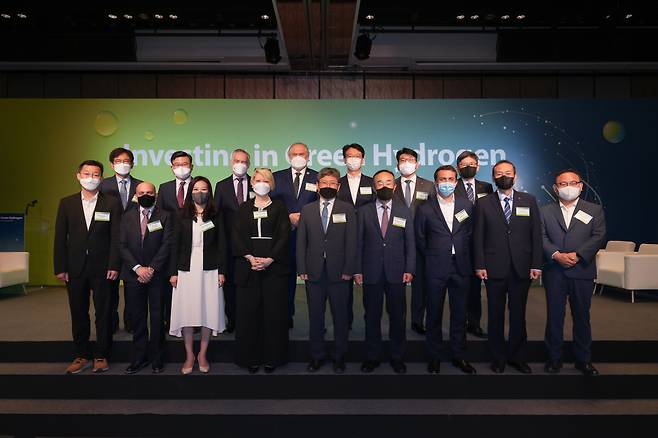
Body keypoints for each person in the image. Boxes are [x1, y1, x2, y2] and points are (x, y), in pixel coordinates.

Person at [473, 160, 542, 374]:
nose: (504, 176)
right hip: (493, 267)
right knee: (495, 315)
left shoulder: (528, 200)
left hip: (522, 267)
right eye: (499, 173)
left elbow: (536, 235)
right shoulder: (483, 203)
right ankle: (498, 357)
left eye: (508, 172)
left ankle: (517, 357)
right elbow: (478, 236)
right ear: (493, 177)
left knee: (518, 314)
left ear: (516, 176)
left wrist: (536, 264)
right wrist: (480, 264)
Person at [54, 160, 121, 374]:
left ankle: (102, 355)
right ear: (78, 176)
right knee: (78, 312)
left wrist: (114, 264)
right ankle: (81, 354)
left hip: (103, 268)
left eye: (95, 174)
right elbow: (59, 237)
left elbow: (115, 237)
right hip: (75, 268)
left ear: (101, 178)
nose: (91, 178)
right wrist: (60, 266)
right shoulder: (67, 203)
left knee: (104, 313)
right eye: (87, 173)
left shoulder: (111, 203)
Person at [541, 169, 606, 376]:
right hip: (555, 271)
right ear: (555, 188)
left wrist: (578, 255)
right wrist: (556, 254)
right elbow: (541, 237)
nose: (567, 187)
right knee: (554, 317)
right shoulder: (545, 211)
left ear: (580, 186)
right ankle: (554, 358)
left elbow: (599, 236)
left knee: (581, 316)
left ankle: (583, 359)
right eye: (562, 184)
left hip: (582, 270)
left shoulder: (594, 210)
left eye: (572, 183)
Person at [415, 165, 476, 375]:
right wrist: (435, 254)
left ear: (457, 182)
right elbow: (420, 239)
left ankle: (458, 354)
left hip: (461, 266)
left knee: (460, 313)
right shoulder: (424, 208)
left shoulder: (467, 205)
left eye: (451, 178)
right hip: (435, 267)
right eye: (442, 179)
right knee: (434, 313)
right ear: (436, 182)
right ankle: (435, 356)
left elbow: (470, 234)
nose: (447, 183)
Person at [297, 167, 357, 374]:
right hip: (313, 272)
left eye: (333, 183)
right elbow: (301, 241)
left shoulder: (347, 208)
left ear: (338, 186)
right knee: (315, 317)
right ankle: (317, 356)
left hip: (340, 272)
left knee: (340, 317)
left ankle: (339, 356)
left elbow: (352, 242)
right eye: (325, 183)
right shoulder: (307, 210)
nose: (328, 187)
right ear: (317, 186)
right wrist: (302, 267)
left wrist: (350, 268)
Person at [354, 169, 414, 374]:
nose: (385, 186)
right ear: (374, 187)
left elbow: (410, 243)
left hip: (397, 272)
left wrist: (409, 268)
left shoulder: (404, 211)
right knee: (371, 316)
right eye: (380, 183)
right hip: (370, 271)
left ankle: (397, 356)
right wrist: (357, 270)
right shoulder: (363, 211)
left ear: (395, 186)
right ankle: (372, 357)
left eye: (389, 182)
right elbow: (358, 243)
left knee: (398, 316)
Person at [232, 168, 290, 374]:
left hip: (273, 267)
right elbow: (237, 235)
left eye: (265, 180)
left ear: (271, 184)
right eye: (257, 179)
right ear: (251, 183)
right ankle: (251, 357)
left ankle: (273, 357)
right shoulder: (243, 208)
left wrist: (269, 259)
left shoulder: (280, 208)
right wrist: (249, 257)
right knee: (249, 314)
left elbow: (284, 235)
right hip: (248, 267)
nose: (261, 183)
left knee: (273, 314)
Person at [169, 176, 227, 374]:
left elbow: (222, 245)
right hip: (186, 268)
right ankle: (188, 355)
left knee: (207, 311)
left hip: (210, 269)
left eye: (203, 189)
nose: (199, 192)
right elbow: (174, 245)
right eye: (196, 189)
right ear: (190, 192)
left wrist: (222, 271)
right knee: (187, 312)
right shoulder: (180, 214)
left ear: (209, 192)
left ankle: (202, 353)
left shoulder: (216, 214)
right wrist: (173, 273)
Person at [119, 182, 173, 374]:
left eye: (149, 192)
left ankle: (158, 358)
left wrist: (151, 269)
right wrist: (138, 268)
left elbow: (167, 244)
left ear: (156, 194)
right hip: (133, 276)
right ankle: (139, 357)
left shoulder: (165, 216)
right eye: (142, 193)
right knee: (138, 318)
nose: (145, 195)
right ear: (136, 195)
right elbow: (122, 246)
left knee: (157, 318)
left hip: (157, 276)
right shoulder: (126, 217)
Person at [271, 142, 318, 328]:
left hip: (311, 238)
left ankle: (316, 319)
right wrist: (287, 217)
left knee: (313, 280)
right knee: (286, 279)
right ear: (288, 156)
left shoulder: (317, 177)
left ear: (308, 155)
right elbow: (272, 205)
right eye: (294, 153)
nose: (298, 156)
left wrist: (304, 217)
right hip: (285, 236)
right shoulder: (277, 177)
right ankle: (286, 315)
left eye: (302, 153)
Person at [100, 147, 143, 334]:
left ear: (132, 163)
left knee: (132, 287)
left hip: (134, 244)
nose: (123, 164)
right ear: (111, 164)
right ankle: (111, 321)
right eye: (118, 161)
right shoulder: (102, 186)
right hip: (109, 242)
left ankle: (131, 321)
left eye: (126, 161)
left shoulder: (141, 186)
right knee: (109, 287)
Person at [392, 147, 434, 336]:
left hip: (422, 242)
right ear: (397, 164)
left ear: (417, 164)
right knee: (395, 286)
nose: (406, 163)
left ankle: (418, 320)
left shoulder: (430, 186)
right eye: (402, 159)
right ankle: (397, 321)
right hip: (395, 243)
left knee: (421, 285)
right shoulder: (389, 185)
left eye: (410, 159)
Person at [454, 150, 493, 339]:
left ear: (478, 166)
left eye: (471, 163)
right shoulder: (452, 186)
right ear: (457, 168)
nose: (468, 167)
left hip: (481, 244)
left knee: (475, 289)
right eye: (463, 164)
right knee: (459, 287)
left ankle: (474, 323)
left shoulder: (487, 187)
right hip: (459, 241)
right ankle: (459, 324)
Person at [337, 143, 376, 329]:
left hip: (368, 239)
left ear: (363, 159)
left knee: (369, 285)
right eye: (349, 156)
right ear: (344, 159)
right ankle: (346, 321)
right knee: (344, 285)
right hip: (342, 238)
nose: (353, 159)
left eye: (357, 156)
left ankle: (371, 321)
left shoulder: (372, 182)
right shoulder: (337, 182)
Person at [215, 148, 253, 333]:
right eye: (237, 161)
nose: (240, 164)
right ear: (231, 162)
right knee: (229, 284)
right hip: (229, 245)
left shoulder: (257, 183)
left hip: (252, 244)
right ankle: (232, 319)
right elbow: (217, 215)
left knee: (250, 282)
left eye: (244, 161)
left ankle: (250, 319)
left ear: (249, 164)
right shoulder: (221, 186)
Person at [157, 150, 194, 328]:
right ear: (171, 167)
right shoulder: (164, 188)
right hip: (170, 242)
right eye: (177, 165)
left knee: (192, 284)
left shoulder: (199, 185)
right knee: (170, 283)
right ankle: (170, 319)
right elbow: (159, 215)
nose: (181, 168)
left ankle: (194, 320)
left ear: (191, 166)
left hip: (195, 242)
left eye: (185, 164)